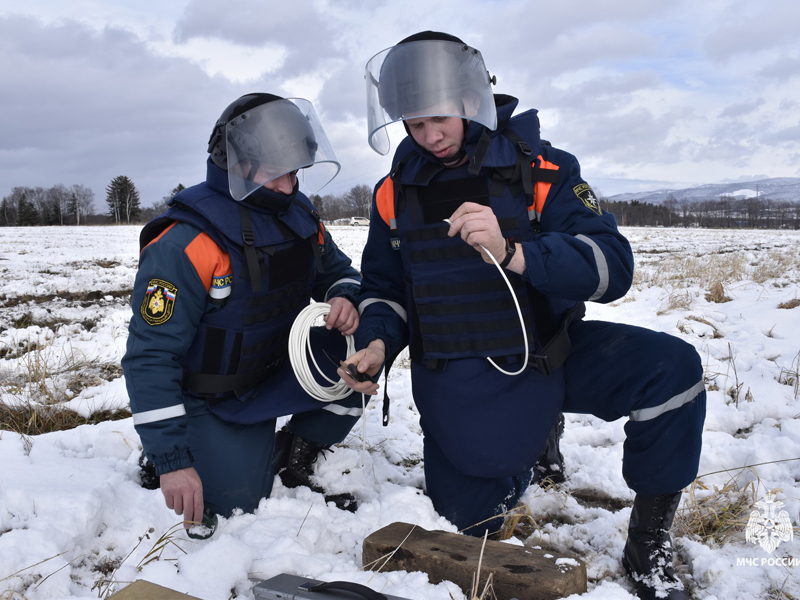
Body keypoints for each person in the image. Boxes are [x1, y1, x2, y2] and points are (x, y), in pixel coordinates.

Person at [343, 32, 705, 600]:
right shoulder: (393, 193)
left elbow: (614, 267)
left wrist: (517, 253)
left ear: (469, 100)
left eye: (438, 118)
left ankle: (649, 545)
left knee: (674, 370)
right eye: (413, 124)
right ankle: (528, 442)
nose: (429, 136)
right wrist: (378, 343)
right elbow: (385, 290)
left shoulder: (543, 170)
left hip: (549, 356)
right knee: (476, 532)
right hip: (459, 371)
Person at [122, 93, 363, 537]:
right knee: (238, 506)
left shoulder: (301, 217)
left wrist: (344, 298)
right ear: (237, 163)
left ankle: (295, 452)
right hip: (213, 398)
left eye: (295, 172)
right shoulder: (185, 243)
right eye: (277, 173)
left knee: (365, 349)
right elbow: (149, 358)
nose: (290, 186)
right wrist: (173, 461)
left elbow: (340, 274)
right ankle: (165, 452)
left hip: (273, 372)